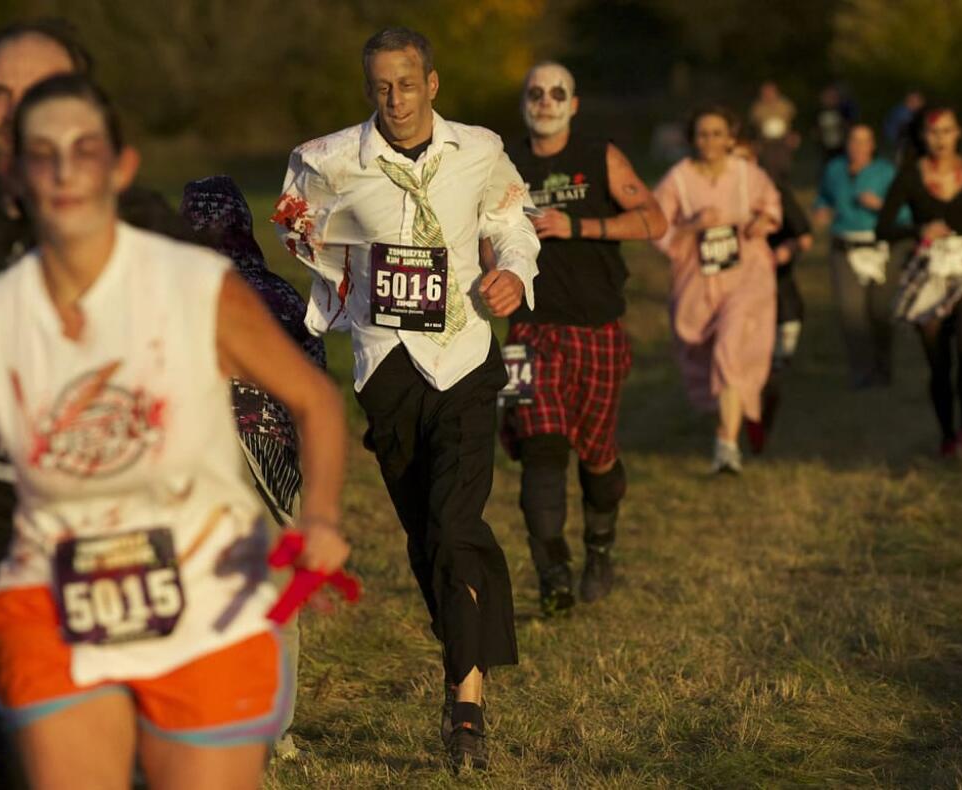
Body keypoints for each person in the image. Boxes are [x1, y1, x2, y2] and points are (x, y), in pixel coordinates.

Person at [0, 74, 350, 789]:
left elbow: (316, 401)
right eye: (41, 152)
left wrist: (323, 516)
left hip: (208, 607)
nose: (62, 169)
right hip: (55, 612)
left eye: (83, 149)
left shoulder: (198, 289)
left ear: (121, 170)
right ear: (14, 174)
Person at [0, 19, 195, 787]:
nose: (12, 114)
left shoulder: (144, 222)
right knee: (26, 761)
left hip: (119, 542)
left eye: (36, 93)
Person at [271, 27, 539, 772]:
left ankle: (466, 710)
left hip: (465, 355)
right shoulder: (328, 159)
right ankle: (466, 652)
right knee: (427, 539)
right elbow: (291, 219)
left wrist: (514, 274)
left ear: (434, 83)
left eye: (408, 84)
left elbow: (511, 221)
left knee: (456, 527)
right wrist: (346, 270)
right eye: (381, 87)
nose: (396, 99)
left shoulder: (478, 150)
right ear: (370, 90)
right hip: (386, 365)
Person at [502, 61, 666, 615]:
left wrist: (579, 227)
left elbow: (655, 220)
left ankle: (600, 550)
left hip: (596, 328)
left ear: (573, 104)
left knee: (596, 454)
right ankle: (554, 575)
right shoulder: (503, 164)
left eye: (557, 93)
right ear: (524, 102)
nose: (544, 101)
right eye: (535, 93)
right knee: (540, 450)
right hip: (527, 330)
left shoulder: (600, 157)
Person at [180, 175, 329, 761]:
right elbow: (314, 389)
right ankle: (273, 729)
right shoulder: (284, 298)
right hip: (268, 462)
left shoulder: (164, 296)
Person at [652, 106, 781, 474]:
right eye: (703, 133)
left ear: (731, 137)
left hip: (747, 273)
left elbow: (772, 204)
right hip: (699, 276)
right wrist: (691, 226)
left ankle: (726, 444)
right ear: (693, 138)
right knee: (710, 355)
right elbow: (656, 225)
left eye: (717, 133)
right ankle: (734, 422)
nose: (710, 141)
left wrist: (761, 221)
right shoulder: (677, 178)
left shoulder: (747, 174)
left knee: (730, 345)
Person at [876, 106, 962, 458]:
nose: (941, 139)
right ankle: (947, 433)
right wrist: (918, 230)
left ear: (958, 132)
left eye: (947, 131)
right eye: (933, 133)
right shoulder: (908, 176)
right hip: (929, 271)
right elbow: (883, 228)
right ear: (922, 136)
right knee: (938, 360)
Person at [732, 138, 812, 454]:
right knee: (737, 365)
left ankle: (761, 422)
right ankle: (734, 427)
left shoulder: (774, 191)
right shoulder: (716, 197)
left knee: (774, 372)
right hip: (736, 298)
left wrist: (782, 252)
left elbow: (803, 236)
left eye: (745, 159)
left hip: (780, 295)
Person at [814, 124, 907, 390]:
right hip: (845, 246)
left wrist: (879, 206)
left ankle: (883, 365)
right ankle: (862, 372)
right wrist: (822, 210)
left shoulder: (885, 172)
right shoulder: (834, 169)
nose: (858, 146)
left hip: (879, 246)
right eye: (853, 140)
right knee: (851, 312)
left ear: (873, 144)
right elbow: (824, 197)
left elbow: (905, 214)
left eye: (864, 141)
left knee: (879, 310)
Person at [747, 81, 798, 183]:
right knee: (769, 167)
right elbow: (752, 127)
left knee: (784, 166)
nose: (768, 94)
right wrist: (755, 142)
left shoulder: (785, 106)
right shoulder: (757, 108)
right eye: (765, 92)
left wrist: (794, 136)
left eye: (770, 92)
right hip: (766, 142)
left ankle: (784, 187)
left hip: (783, 141)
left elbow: (794, 122)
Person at [883, 90, 925, 161]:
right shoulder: (903, 113)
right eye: (917, 101)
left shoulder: (906, 111)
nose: (920, 104)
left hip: (894, 142)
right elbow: (906, 133)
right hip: (894, 144)